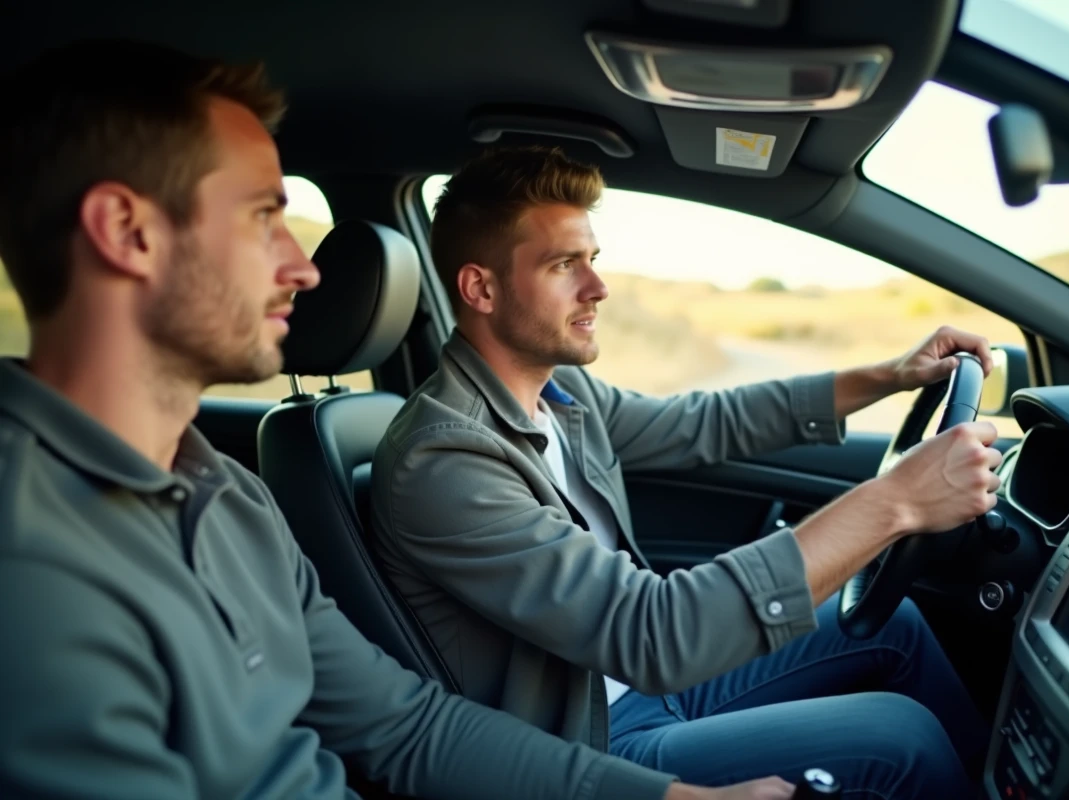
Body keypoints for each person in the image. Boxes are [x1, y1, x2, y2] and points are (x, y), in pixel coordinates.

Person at [0, 40, 796, 800]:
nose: (304, 266)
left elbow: (405, 727)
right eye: (261, 217)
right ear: (127, 233)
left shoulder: (227, 493)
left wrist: (666, 796)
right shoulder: (29, 559)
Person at [372, 146, 1003, 798]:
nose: (597, 287)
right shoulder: (445, 460)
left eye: (593, 260)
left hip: (638, 683)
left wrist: (889, 377)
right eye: (564, 265)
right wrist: (896, 503)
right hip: (595, 737)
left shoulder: (562, 396)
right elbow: (650, 632)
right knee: (899, 738)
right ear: (480, 288)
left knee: (895, 625)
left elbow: (707, 421)